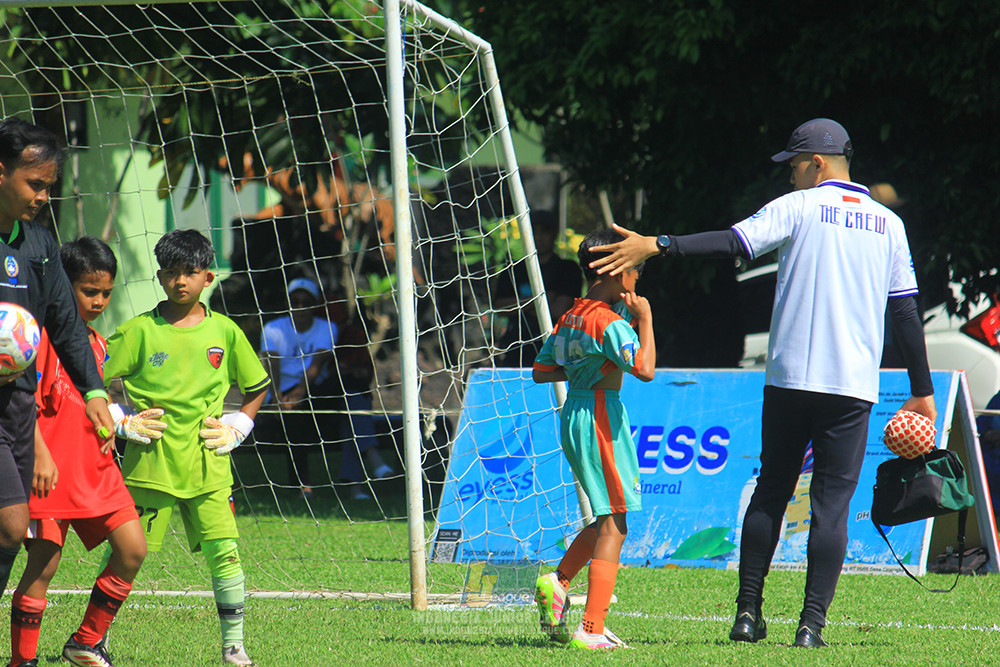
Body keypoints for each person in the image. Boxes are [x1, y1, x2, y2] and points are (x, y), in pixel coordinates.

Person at [588, 118, 936, 648]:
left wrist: (658, 244)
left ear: (817, 163)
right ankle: (810, 627)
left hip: (790, 380)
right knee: (832, 504)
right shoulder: (889, 224)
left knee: (772, 489)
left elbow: (732, 243)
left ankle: (747, 613)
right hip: (851, 388)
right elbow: (906, 314)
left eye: (794, 165)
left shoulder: (799, 207)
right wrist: (923, 390)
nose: (791, 175)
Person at [103, 229, 270, 667]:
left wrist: (240, 424)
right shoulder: (137, 331)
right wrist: (121, 420)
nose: (181, 281)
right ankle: (91, 638)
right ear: (159, 276)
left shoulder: (225, 333)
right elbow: (90, 381)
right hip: (149, 467)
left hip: (208, 465)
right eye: (172, 273)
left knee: (225, 552)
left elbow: (257, 387)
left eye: (190, 273)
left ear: (208, 277)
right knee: (126, 554)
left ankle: (234, 646)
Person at [9, 237, 153, 667]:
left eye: (106, 292)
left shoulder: (96, 342)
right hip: (48, 470)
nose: (99, 300)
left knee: (132, 548)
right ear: (61, 285)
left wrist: (110, 424)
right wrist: (40, 455)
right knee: (42, 571)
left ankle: (86, 641)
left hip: (94, 466)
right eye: (89, 290)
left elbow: (87, 401)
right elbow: (26, 405)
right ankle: (23, 661)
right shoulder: (38, 340)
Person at [0, 119, 116, 612]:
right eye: (35, 184)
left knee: (10, 533)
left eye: (49, 186)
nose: (44, 196)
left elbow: (66, 326)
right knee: (11, 522)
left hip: (17, 407)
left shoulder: (41, 246)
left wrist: (94, 392)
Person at [531, 228, 656, 650]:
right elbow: (644, 369)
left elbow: (542, 370)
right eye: (636, 272)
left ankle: (559, 580)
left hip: (575, 412)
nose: (637, 281)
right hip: (601, 416)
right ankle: (591, 627)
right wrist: (646, 319)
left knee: (607, 517)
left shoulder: (570, 316)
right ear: (621, 274)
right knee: (616, 521)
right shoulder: (610, 322)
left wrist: (583, 369)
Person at [258, 278, 391, 500]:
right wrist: (279, 398)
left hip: (312, 389)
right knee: (295, 418)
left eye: (305, 302)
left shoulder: (326, 328)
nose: (300, 307)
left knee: (352, 393)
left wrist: (299, 394)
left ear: (314, 304)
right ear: (288, 303)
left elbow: (316, 364)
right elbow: (272, 364)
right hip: (281, 390)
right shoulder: (273, 328)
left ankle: (359, 480)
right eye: (295, 301)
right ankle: (307, 487)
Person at [494, 210, 582, 367]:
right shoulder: (513, 269)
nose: (539, 237)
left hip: (557, 346)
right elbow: (500, 307)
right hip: (517, 347)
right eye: (534, 231)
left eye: (545, 231)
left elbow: (560, 310)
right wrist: (542, 299)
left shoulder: (567, 268)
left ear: (554, 234)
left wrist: (520, 305)